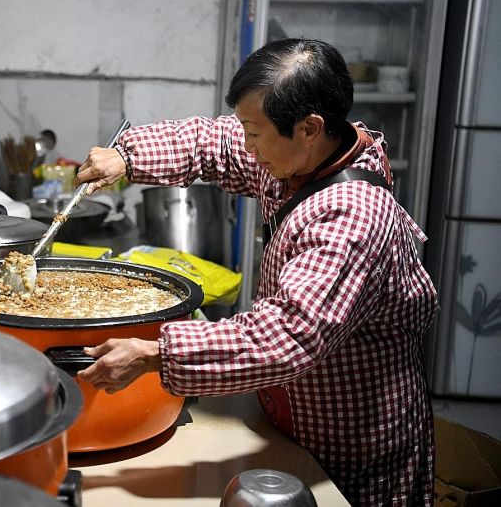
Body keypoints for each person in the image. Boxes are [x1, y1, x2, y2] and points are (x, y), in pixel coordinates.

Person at [74, 38, 438, 506]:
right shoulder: (306, 153)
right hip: (288, 418)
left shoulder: (352, 215)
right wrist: (127, 157)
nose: (246, 144)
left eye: (255, 132)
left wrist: (154, 354)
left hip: (352, 446)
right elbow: (211, 142)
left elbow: (288, 334)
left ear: (309, 127)